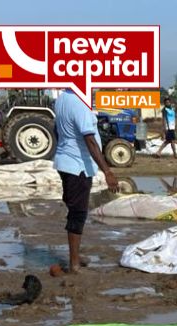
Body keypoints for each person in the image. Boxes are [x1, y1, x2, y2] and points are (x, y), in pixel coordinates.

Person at [52, 89, 118, 273]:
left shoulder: (62, 98)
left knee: (75, 209)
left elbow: (55, 128)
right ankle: (74, 264)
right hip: (77, 166)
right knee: (78, 213)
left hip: (65, 162)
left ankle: (76, 256)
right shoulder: (80, 104)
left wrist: (64, 147)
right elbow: (90, 139)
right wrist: (107, 171)